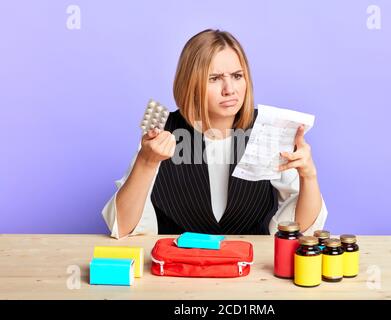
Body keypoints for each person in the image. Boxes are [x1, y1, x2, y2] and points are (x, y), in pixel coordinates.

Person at [101, 29, 328, 239]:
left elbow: (300, 230)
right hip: (177, 271)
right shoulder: (161, 128)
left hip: (250, 270)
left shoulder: (269, 129)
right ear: (191, 84)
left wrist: (309, 176)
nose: (230, 89)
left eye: (237, 76)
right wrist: (146, 162)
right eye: (214, 78)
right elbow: (121, 227)